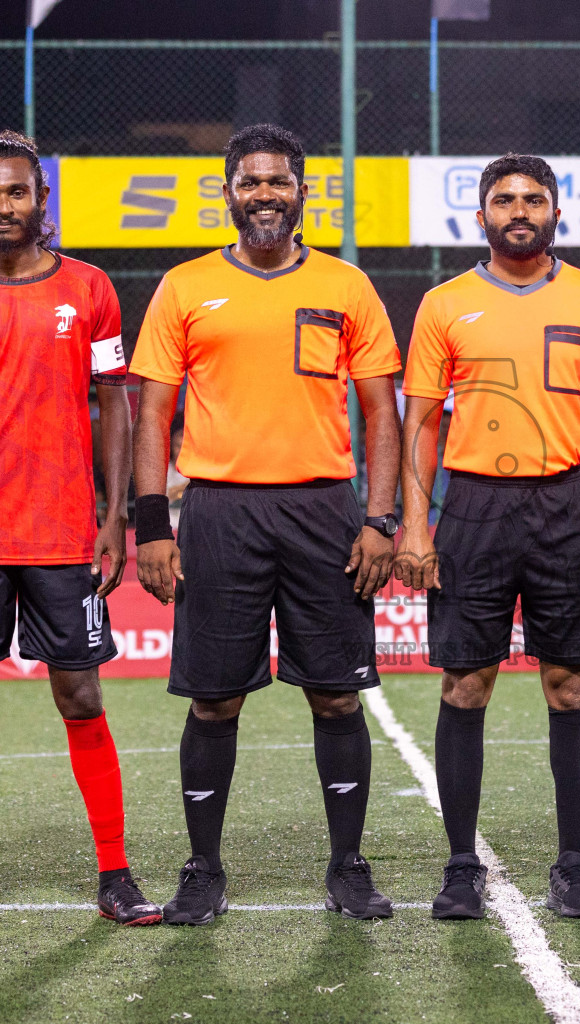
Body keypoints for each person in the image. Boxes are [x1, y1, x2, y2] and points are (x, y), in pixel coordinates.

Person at [130, 123, 403, 925]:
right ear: (227, 195)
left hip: (324, 510)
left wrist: (380, 518)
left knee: (336, 698)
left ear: (303, 193)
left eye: (278, 181)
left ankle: (348, 867)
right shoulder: (184, 287)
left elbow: (383, 414)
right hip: (219, 513)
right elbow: (152, 414)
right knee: (214, 701)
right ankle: (203, 869)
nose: (264, 194)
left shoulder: (348, 286)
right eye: (249, 182)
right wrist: (154, 524)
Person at [0, 130, 159, 931]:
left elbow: (115, 403)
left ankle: (115, 873)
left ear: (43, 202)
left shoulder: (90, 289)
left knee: (81, 694)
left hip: (62, 534)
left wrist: (115, 515)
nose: (3, 206)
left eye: (18, 192)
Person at [395, 154, 580, 920]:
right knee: (465, 683)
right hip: (472, 506)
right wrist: (414, 523)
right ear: (481, 217)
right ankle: (461, 865)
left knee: (571, 684)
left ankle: (573, 865)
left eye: (534, 197)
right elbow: (423, 423)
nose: (519, 209)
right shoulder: (445, 304)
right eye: (504, 199)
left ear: (557, 212)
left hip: (568, 506)